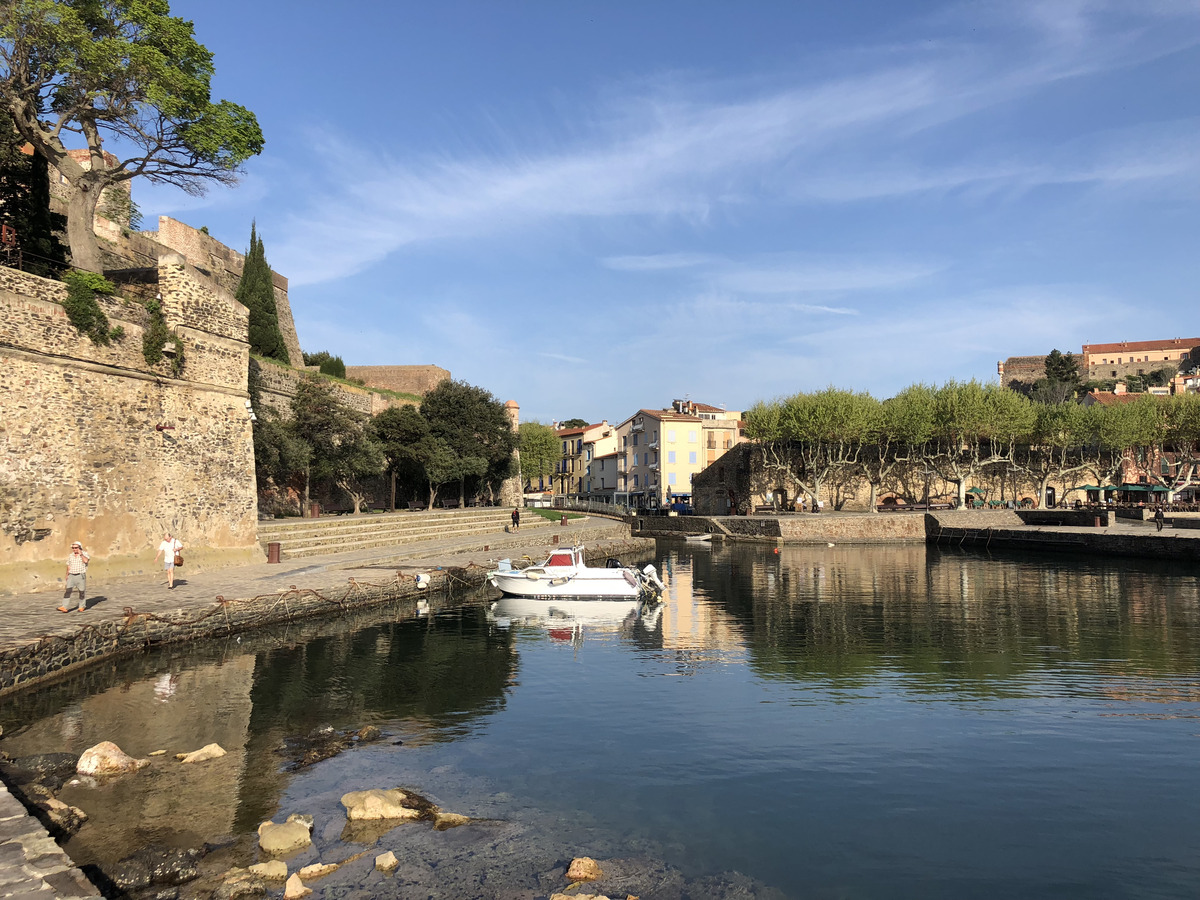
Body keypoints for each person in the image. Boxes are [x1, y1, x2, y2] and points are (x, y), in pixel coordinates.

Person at [58, 541, 89, 612]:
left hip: (80, 575)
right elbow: (69, 565)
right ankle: (64, 606)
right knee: (68, 591)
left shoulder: (85, 554)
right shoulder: (71, 555)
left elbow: (86, 561)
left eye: (76, 548)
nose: (74, 549)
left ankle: (82, 606)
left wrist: (81, 554)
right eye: (73, 548)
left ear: (80, 548)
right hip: (71, 575)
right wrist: (67, 575)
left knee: (81, 591)